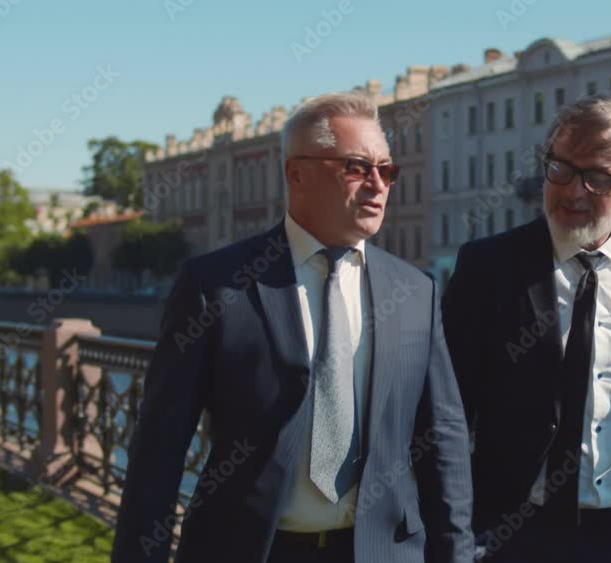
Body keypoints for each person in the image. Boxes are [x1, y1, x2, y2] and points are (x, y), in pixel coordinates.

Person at [112, 92, 474, 563]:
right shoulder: (216, 285)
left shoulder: (415, 291)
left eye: (386, 170)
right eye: (356, 167)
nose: (378, 185)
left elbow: (443, 438)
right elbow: (159, 449)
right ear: (296, 174)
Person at [441, 94, 611, 563]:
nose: (573, 191)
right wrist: (457, 532)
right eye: (561, 169)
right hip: (513, 534)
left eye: (596, 178)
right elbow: (445, 410)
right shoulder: (488, 267)